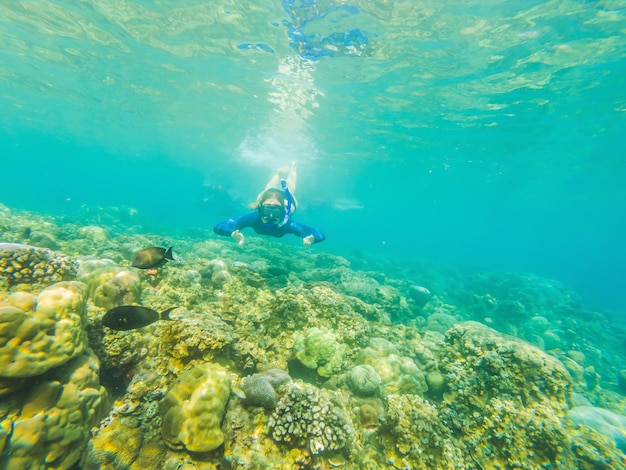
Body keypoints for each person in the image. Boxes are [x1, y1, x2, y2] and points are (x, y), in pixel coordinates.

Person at [213, 163, 326, 247]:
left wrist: (312, 239)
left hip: (287, 200)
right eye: (267, 210)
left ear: (283, 211)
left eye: (276, 211)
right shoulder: (254, 217)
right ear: (260, 209)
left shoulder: (288, 223)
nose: (271, 216)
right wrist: (231, 233)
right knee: (267, 191)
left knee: (289, 191)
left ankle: (293, 168)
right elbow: (218, 226)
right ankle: (277, 174)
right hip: (268, 201)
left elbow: (319, 234)